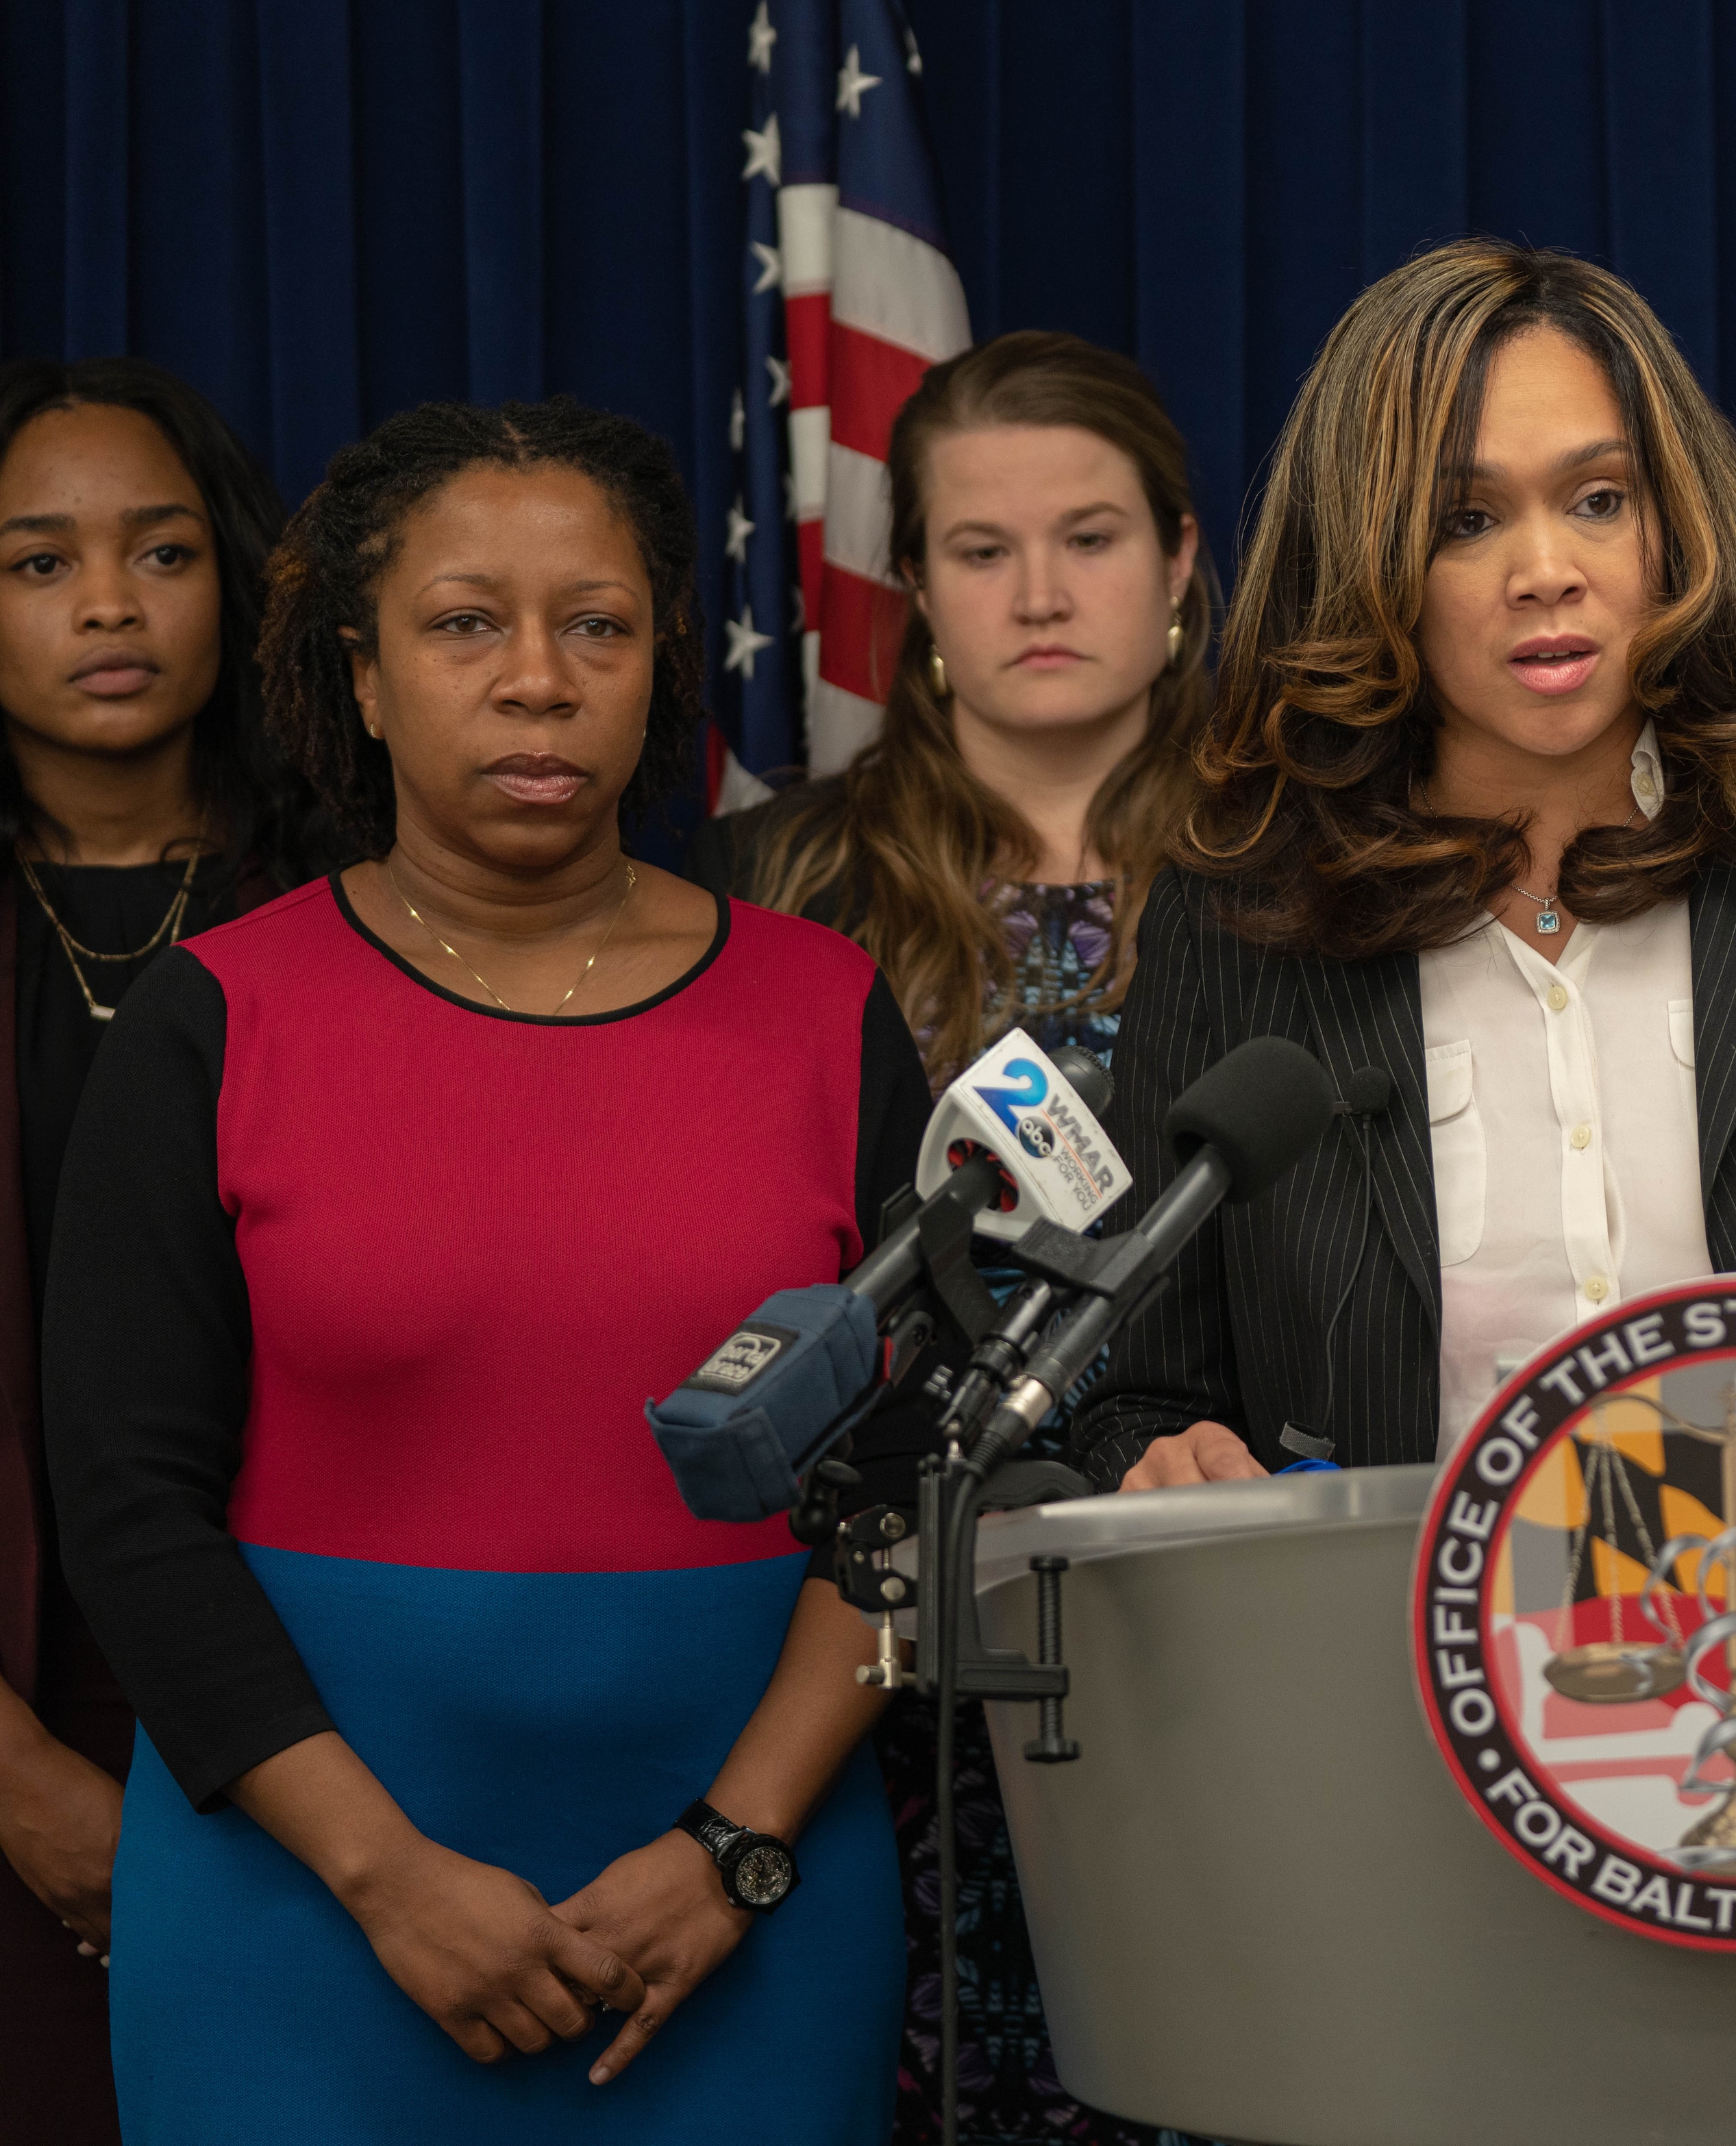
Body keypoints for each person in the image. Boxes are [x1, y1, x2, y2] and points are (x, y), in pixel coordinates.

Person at [44, 398, 930, 2141]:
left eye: (595, 625)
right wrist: (385, 1878)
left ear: (659, 664)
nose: (540, 678)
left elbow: (915, 1469)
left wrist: (736, 1848)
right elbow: (125, 1506)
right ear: (360, 677)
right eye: (466, 624)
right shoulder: (210, 1019)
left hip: (747, 1903)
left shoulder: (826, 1007)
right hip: (297, 1914)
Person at [1067, 237, 1736, 1491]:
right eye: (1467, 520)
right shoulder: (1243, 928)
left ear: (1671, 529)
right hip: (1386, 1669)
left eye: (1600, 499)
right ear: (1373, 564)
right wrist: (1161, 1461)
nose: (1550, 572)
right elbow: (1138, 1394)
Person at [693, 329, 1213, 2146]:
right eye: (983, 552)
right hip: (882, 1639)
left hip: (1220, 1589)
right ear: (912, 588)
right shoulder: (774, 885)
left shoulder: (1312, 866)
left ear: (1180, 560)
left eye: (1090, 538)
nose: (1042, 593)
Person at [0, 357, 323, 2145]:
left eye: (160, 553)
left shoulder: (380, 905)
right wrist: (21, 1784)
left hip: (343, 1691)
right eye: (37, 564)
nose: (108, 605)